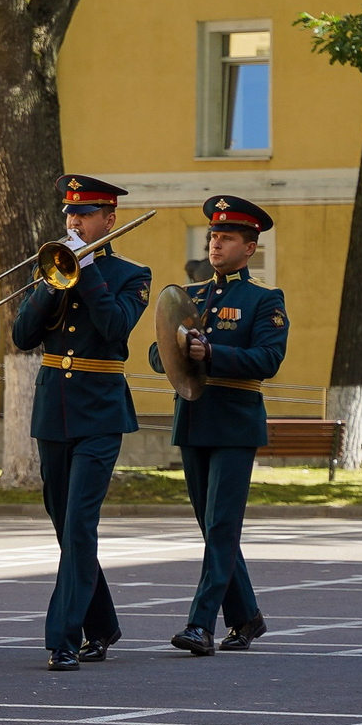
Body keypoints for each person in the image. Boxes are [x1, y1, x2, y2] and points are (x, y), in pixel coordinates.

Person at [11, 175, 153, 668]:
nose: (74, 221)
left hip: (100, 412)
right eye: (70, 213)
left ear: (109, 220)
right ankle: (103, 624)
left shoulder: (132, 275)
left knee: (79, 526)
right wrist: (53, 282)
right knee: (64, 524)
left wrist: (86, 270)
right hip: (54, 410)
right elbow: (22, 336)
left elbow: (115, 328)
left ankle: (63, 637)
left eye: (86, 214)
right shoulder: (52, 267)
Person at [147, 195, 287, 655]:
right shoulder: (191, 295)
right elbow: (158, 355)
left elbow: (268, 358)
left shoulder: (264, 299)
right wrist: (172, 349)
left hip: (234, 421)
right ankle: (246, 616)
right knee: (213, 528)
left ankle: (200, 625)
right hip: (194, 418)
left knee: (221, 525)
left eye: (226, 237)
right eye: (213, 236)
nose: (215, 244)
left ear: (249, 247)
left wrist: (213, 353)